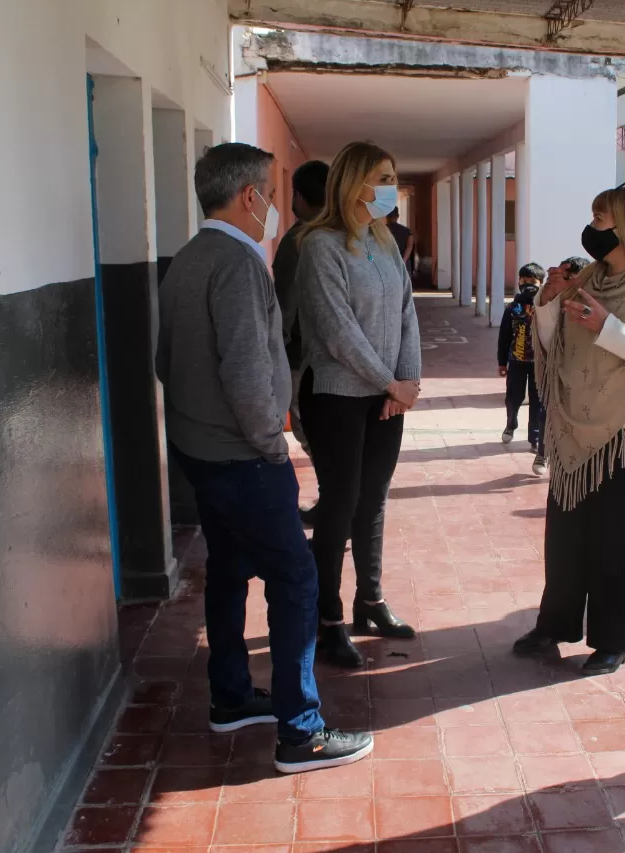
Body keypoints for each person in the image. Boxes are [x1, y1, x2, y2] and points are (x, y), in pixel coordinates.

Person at [154, 143, 373, 773]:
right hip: (246, 458)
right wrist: (270, 443)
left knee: (228, 570)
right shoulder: (239, 265)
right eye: (269, 196)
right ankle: (300, 730)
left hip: (199, 452)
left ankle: (229, 696)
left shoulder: (186, 261)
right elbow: (249, 370)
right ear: (249, 196)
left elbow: (164, 362)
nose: (274, 207)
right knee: (297, 580)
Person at [512, 185, 625, 676]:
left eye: (602, 218)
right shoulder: (588, 278)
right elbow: (557, 347)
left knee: (622, 541)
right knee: (568, 534)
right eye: (593, 216)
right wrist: (549, 303)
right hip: (577, 428)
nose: (593, 227)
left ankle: (616, 639)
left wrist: (610, 327)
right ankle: (556, 624)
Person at [296, 141, 423, 668]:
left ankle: (368, 601)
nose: (391, 187)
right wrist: (389, 383)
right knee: (340, 503)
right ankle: (326, 619)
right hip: (337, 396)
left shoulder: (384, 240)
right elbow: (337, 333)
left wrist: (407, 379)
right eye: (384, 177)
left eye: (394, 176)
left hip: (386, 395)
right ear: (354, 183)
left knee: (373, 500)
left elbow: (407, 312)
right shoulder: (319, 246)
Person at [273, 160, 330, 526]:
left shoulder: (298, 241)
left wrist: (275, 349)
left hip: (301, 354)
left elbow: (285, 304)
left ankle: (336, 503)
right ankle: (337, 503)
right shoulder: (342, 236)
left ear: (300, 196)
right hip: (334, 354)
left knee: (309, 427)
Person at [498, 263, 547, 473]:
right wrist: (502, 361)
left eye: (533, 282)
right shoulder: (512, 308)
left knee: (538, 402)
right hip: (516, 362)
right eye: (524, 281)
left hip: (539, 365)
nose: (528, 285)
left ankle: (535, 438)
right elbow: (504, 336)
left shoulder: (545, 308)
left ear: (541, 284)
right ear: (519, 282)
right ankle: (511, 423)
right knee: (513, 397)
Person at [386, 207, 415, 274]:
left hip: (388, 262)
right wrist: (403, 261)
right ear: (397, 216)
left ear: (387, 216)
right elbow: (410, 246)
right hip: (402, 261)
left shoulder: (382, 230)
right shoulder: (407, 231)